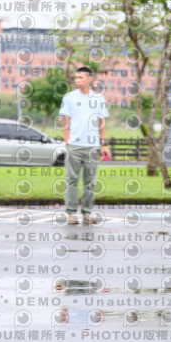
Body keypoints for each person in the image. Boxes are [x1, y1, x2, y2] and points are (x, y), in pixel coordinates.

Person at [59, 66, 112, 225]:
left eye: (81, 77)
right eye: (76, 78)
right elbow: (65, 121)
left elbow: (102, 122)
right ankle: (71, 213)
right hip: (74, 146)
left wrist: (103, 144)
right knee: (72, 181)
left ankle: (87, 213)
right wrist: (67, 141)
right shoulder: (69, 97)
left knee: (90, 182)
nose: (78, 80)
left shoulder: (99, 98)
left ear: (90, 79)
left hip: (92, 147)